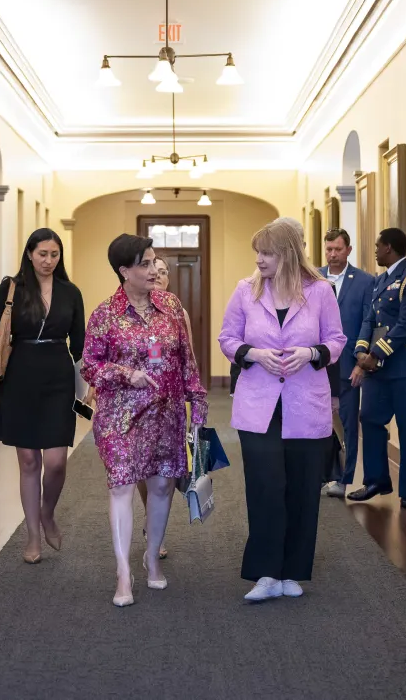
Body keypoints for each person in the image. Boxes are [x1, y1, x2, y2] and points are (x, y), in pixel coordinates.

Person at [219, 217, 345, 602]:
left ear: (288, 254)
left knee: (303, 489)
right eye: (256, 252)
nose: (258, 259)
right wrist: (253, 354)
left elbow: (336, 339)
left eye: (267, 253)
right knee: (265, 487)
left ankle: (293, 571)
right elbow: (227, 338)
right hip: (258, 406)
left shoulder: (320, 291)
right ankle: (266, 572)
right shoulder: (245, 291)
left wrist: (311, 353)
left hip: (305, 406)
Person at [82, 235, 207, 607]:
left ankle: (151, 557)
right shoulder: (105, 314)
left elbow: (186, 359)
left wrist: (196, 402)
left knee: (162, 487)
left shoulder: (170, 306)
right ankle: (123, 572)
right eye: (146, 264)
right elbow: (90, 366)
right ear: (124, 271)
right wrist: (126, 373)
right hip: (120, 416)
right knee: (121, 487)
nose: (154, 270)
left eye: (155, 263)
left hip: (166, 413)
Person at [0, 228, 86, 564]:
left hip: (58, 380)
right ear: (30, 254)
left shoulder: (70, 292)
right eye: (42, 254)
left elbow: (79, 347)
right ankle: (33, 535)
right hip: (19, 377)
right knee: (30, 461)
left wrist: (94, 386)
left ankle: (47, 513)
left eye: (54, 255)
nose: (48, 261)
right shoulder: (12, 288)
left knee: (56, 462)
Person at [350, 227, 406, 508]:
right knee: (370, 418)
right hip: (379, 368)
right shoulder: (379, 281)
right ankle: (376, 480)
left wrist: (376, 352)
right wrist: (361, 350)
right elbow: (368, 319)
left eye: (377, 246)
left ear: (389, 248)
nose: (374, 250)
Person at [135, 255, 195, 560]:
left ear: (168, 278)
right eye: (151, 271)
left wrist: (192, 395)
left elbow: (189, 357)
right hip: (138, 401)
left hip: (170, 401)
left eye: (162, 273)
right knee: (144, 469)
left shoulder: (177, 312)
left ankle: (156, 530)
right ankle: (150, 518)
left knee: (167, 472)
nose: (156, 276)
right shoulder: (130, 310)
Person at [318, 228, 374, 498]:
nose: (332, 254)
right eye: (328, 249)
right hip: (316, 364)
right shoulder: (313, 277)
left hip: (348, 363)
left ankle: (344, 479)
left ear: (348, 250)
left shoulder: (365, 281)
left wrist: (361, 364)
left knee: (349, 424)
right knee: (316, 423)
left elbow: (368, 322)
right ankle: (319, 475)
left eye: (338, 249)